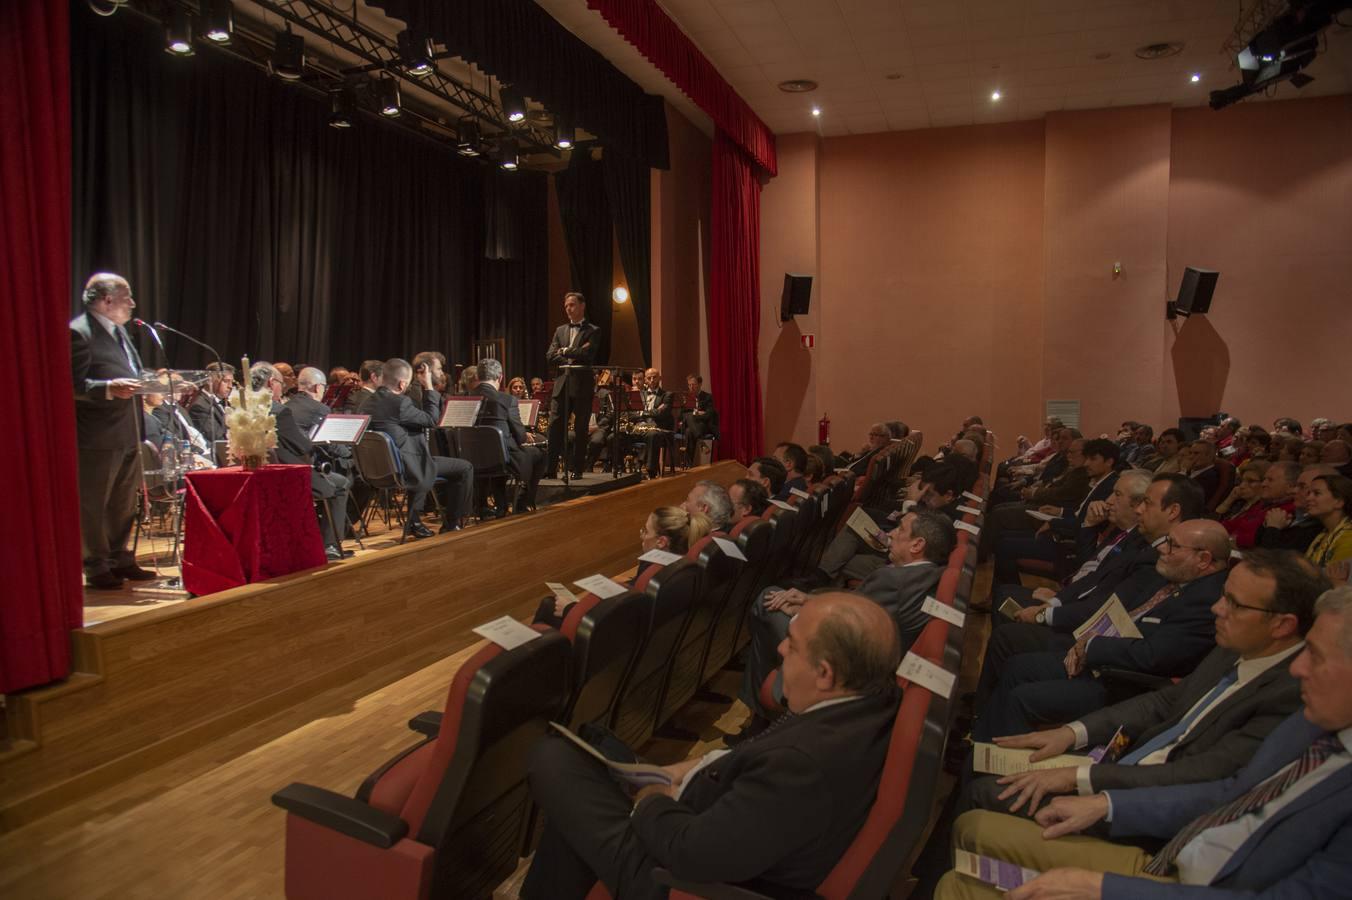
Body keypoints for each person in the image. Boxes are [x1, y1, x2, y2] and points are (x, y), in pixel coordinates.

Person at [936, 584, 1352, 900]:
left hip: (1179, 871)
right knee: (973, 824)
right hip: (1172, 846)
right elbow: (1227, 791)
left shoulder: (1292, 701)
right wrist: (1101, 792)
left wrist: (1104, 887)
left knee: (963, 872)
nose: (1299, 668)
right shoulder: (1301, 712)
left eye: (1314, 655)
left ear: (1281, 624)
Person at [522, 591, 903, 900]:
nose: (782, 649)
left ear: (825, 674)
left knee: (550, 755)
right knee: (593, 748)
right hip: (703, 805)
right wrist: (684, 768)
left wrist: (653, 795)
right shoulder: (871, 700)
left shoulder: (801, 765)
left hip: (671, 877)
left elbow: (692, 855)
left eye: (793, 643)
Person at [967, 550, 1324, 820]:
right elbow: (1165, 702)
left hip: (1141, 804)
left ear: (1282, 625)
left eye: (1232, 603)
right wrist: (1073, 733)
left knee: (984, 791)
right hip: (1125, 761)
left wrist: (1080, 777)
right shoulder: (1235, 648)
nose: (1217, 608)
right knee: (991, 761)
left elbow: (1199, 775)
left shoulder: (1291, 695)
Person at [974, 518, 1231, 741]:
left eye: (1173, 545)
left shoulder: (1206, 600)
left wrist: (1092, 644)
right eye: (1166, 540)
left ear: (1204, 559)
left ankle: (992, 771)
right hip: (1106, 656)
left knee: (1022, 697)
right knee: (1017, 666)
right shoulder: (1178, 578)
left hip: (1126, 685)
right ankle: (979, 740)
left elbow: (1153, 655)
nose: (1162, 549)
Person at [738, 509, 954, 729]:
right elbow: (857, 606)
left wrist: (800, 615)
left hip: (845, 665)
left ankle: (762, 714)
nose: (892, 534)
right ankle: (762, 710)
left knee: (767, 599)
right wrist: (808, 600)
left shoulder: (894, 580)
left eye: (901, 529)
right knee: (771, 619)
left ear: (917, 545)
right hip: (864, 653)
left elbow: (847, 629)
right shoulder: (933, 574)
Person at [71, 273, 157, 589]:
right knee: (94, 503)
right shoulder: (79, 333)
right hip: (97, 436)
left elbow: (132, 374)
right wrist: (108, 388)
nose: (133, 303)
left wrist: (160, 383)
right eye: (128, 296)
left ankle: (121, 558)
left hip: (129, 431)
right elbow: (71, 384)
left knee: (124, 502)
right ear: (107, 300)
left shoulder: (119, 332)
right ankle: (95, 566)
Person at [532, 506, 712, 627]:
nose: (642, 536)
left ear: (661, 541)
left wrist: (571, 609)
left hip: (613, 648)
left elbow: (620, 622)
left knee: (549, 605)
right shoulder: (683, 567)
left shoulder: (651, 575)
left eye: (646, 531)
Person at [252, 364, 353, 560]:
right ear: (272, 383)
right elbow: (303, 446)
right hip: (289, 474)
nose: (283, 388)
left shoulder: (245, 409)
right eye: (281, 383)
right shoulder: (280, 412)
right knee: (342, 484)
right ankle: (329, 545)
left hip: (260, 473)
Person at [367, 357, 472, 537]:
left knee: (421, 457)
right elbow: (431, 420)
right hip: (405, 467)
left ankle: (414, 520)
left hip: (378, 468)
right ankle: (453, 524)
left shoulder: (366, 402)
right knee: (465, 468)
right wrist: (429, 386)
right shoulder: (400, 403)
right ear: (401, 385)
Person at [472, 358, 545, 513]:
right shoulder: (506, 399)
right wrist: (522, 437)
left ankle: (489, 505)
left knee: (496, 454)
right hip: (502, 457)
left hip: (472, 457)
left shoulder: (465, 398)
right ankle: (522, 502)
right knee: (540, 453)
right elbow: (520, 436)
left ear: (478, 377)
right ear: (500, 377)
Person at [546, 292, 601, 479]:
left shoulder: (593, 330)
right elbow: (550, 355)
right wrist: (573, 352)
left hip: (582, 385)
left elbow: (589, 355)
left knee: (580, 429)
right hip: (562, 384)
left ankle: (578, 470)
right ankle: (550, 470)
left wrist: (565, 350)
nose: (568, 308)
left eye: (572, 305)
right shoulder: (560, 330)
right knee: (554, 428)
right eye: (566, 305)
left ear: (582, 306)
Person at [1224, 460, 1299, 549]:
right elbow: (1232, 524)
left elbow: (1254, 541)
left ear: (1291, 487)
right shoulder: (1264, 504)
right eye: (1264, 479)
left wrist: (1228, 540)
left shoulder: (1287, 511)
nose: (1264, 484)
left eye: (1270, 480)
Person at [1305, 474, 1352, 580]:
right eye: (1308, 493)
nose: (1308, 498)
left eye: (1316, 493)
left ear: (1339, 502)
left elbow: (1335, 578)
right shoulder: (1323, 534)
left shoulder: (1349, 536)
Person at [189, 360, 235, 445]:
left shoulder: (226, 403)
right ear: (209, 381)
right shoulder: (200, 406)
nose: (230, 386)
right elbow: (217, 438)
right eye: (225, 381)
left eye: (231, 382)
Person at [679, 373, 719, 465]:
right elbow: (682, 415)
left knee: (689, 426)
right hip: (692, 426)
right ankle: (701, 443)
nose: (691, 387)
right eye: (689, 385)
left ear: (700, 384)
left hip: (703, 425)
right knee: (689, 423)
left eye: (693, 384)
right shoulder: (686, 398)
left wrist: (696, 415)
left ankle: (687, 464)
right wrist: (695, 414)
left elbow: (709, 414)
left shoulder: (707, 397)